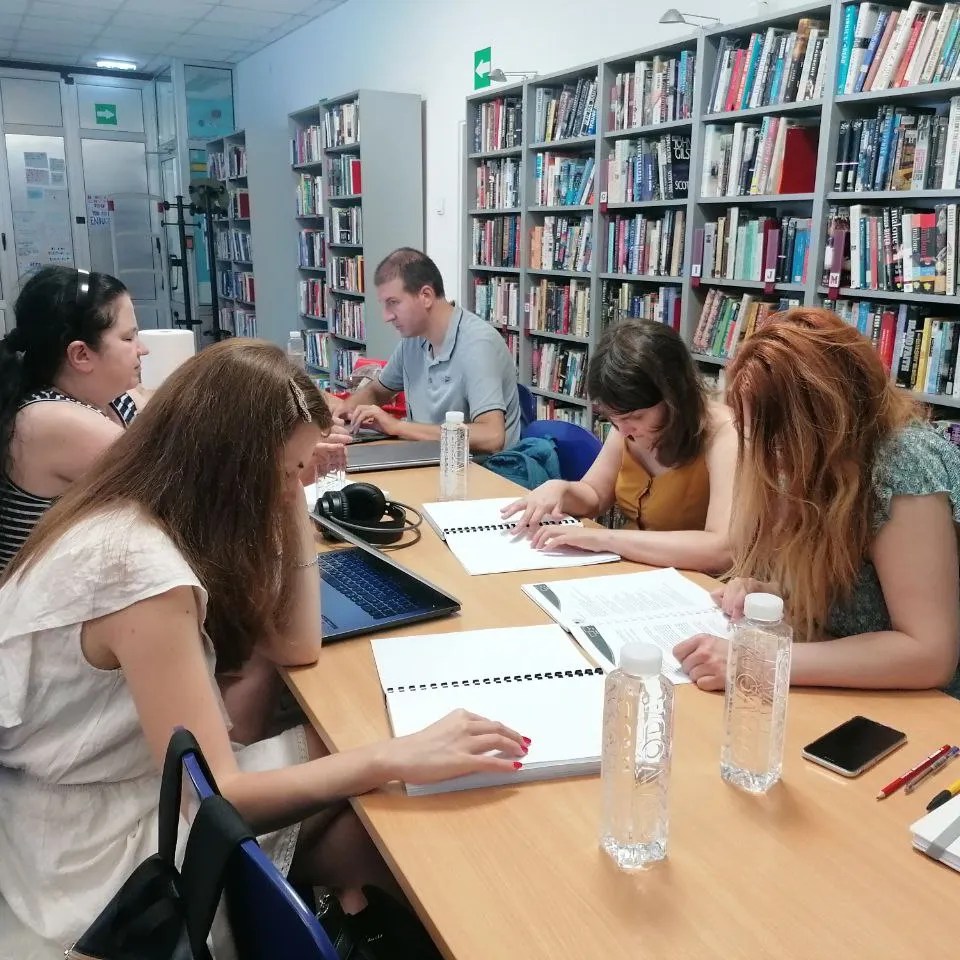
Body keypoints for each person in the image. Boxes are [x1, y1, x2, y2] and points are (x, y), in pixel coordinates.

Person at [0, 339, 528, 953]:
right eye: (286, 472)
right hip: (100, 853)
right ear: (234, 468)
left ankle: (355, 914)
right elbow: (216, 790)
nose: (296, 485)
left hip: (109, 794)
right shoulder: (135, 571)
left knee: (362, 771)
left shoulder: (136, 509)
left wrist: (289, 500)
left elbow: (296, 646)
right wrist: (394, 757)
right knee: (379, 775)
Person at [674, 307, 960, 695]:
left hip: (926, 707)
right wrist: (775, 596)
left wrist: (755, 658)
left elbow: (928, 654)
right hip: (851, 683)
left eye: (776, 441)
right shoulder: (816, 467)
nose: (767, 460)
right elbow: (853, 602)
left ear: (828, 423)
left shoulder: (902, 465)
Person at [502, 319, 736, 574]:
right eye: (613, 418)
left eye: (635, 417)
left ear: (675, 397)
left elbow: (720, 550)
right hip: (635, 572)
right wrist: (560, 489)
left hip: (696, 583)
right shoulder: (627, 426)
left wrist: (606, 539)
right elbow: (595, 495)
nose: (623, 431)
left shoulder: (726, 435)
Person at [0, 265, 148, 572]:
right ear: (81, 355)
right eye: (128, 338)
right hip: (32, 612)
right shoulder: (49, 420)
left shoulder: (106, 394)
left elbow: (164, 410)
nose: (142, 349)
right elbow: (174, 490)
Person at [333, 247, 521, 454]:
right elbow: (377, 392)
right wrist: (344, 412)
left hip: (481, 473)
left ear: (426, 296)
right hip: (428, 460)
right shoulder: (414, 339)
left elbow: (491, 436)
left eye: (393, 303)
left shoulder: (478, 344)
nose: (386, 316)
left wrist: (397, 427)